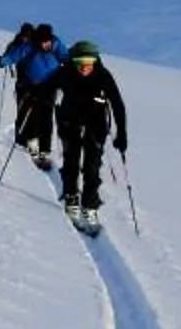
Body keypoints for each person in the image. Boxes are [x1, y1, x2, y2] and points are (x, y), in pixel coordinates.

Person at [47, 40, 128, 228]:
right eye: (80, 63)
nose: (85, 67)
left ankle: (90, 206)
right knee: (71, 161)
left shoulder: (103, 75)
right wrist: (47, 101)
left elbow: (117, 104)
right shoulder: (65, 72)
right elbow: (48, 89)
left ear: (94, 61)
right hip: (70, 120)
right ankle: (71, 198)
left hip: (96, 122)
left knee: (92, 166)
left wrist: (122, 133)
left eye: (89, 63)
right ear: (73, 61)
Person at [0, 22, 65, 169]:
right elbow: (13, 57)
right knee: (32, 118)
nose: (47, 45)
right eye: (44, 42)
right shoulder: (29, 47)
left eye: (48, 41)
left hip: (50, 86)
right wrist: (1, 61)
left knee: (47, 118)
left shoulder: (56, 44)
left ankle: (44, 151)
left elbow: (66, 58)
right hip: (31, 86)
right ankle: (33, 149)